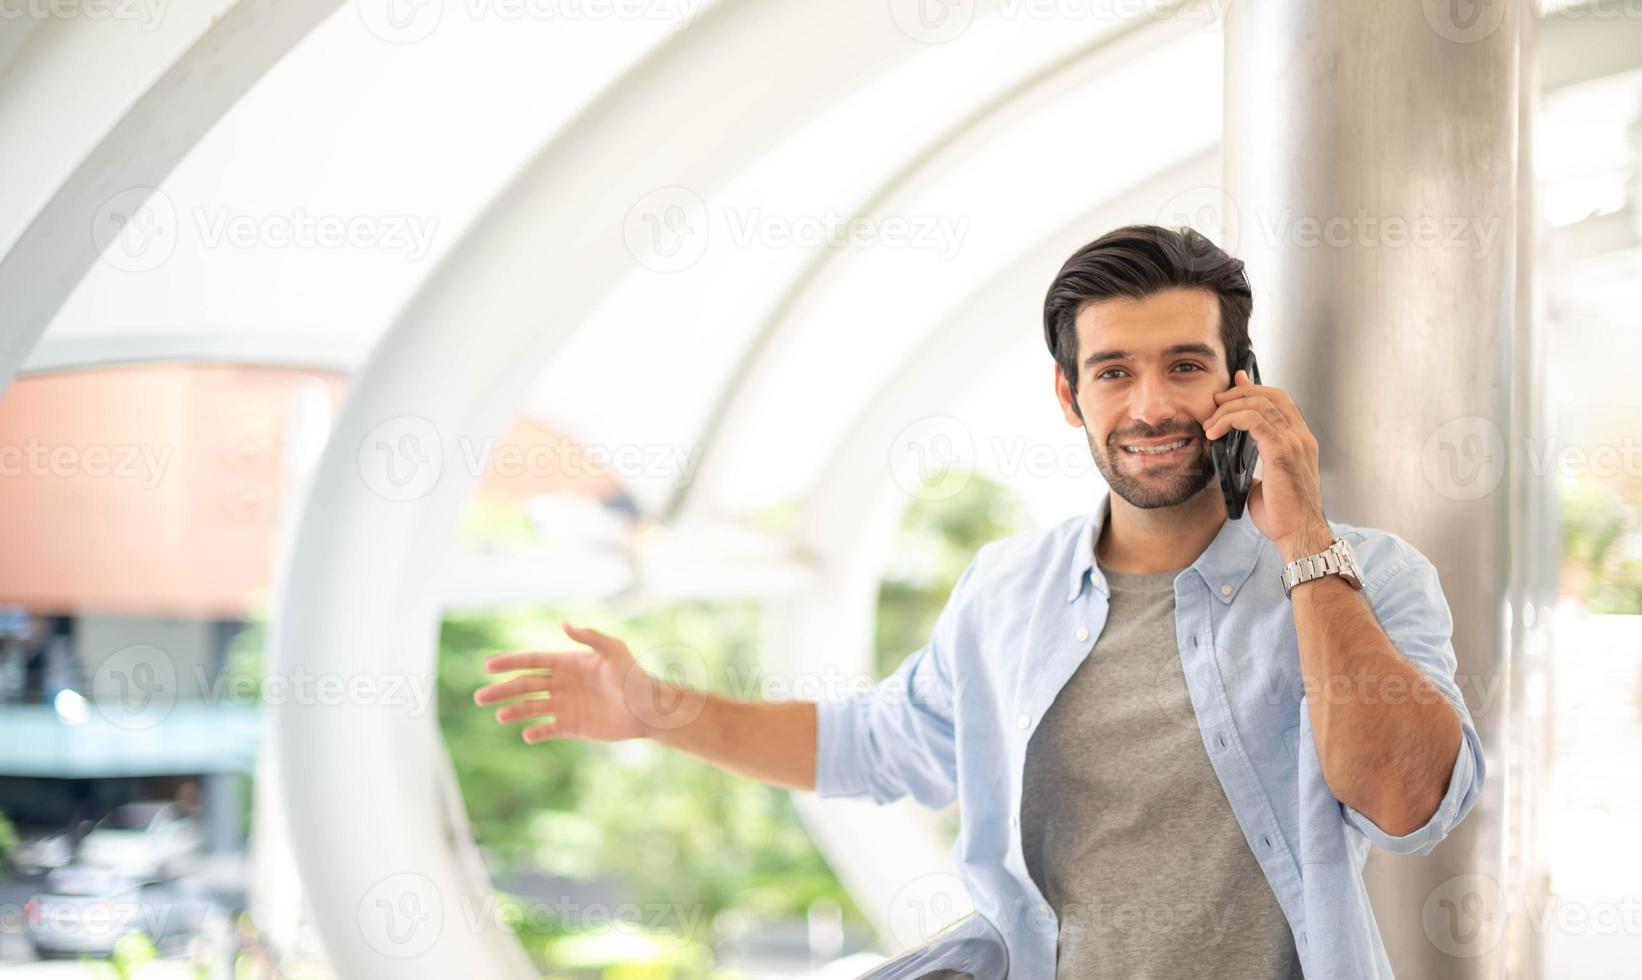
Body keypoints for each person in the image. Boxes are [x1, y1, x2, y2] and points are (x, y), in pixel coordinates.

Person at [474, 225, 1485, 979]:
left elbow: (1402, 799)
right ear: (1067, 395)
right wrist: (659, 710)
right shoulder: (1009, 591)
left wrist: (1304, 537)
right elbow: (873, 745)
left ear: (1239, 379)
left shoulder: (1363, 576)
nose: (1150, 405)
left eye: (1185, 365)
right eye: (1113, 371)